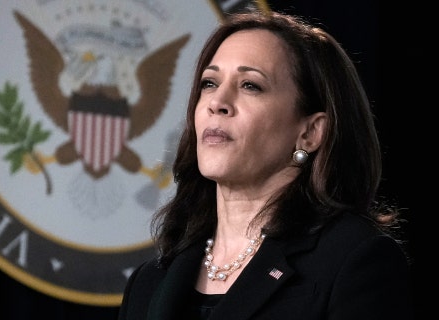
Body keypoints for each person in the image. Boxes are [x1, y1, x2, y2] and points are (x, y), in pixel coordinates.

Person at [117, 9, 413, 320]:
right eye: (209, 83)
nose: (217, 102)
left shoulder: (352, 261)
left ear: (310, 132)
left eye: (250, 86)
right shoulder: (149, 283)